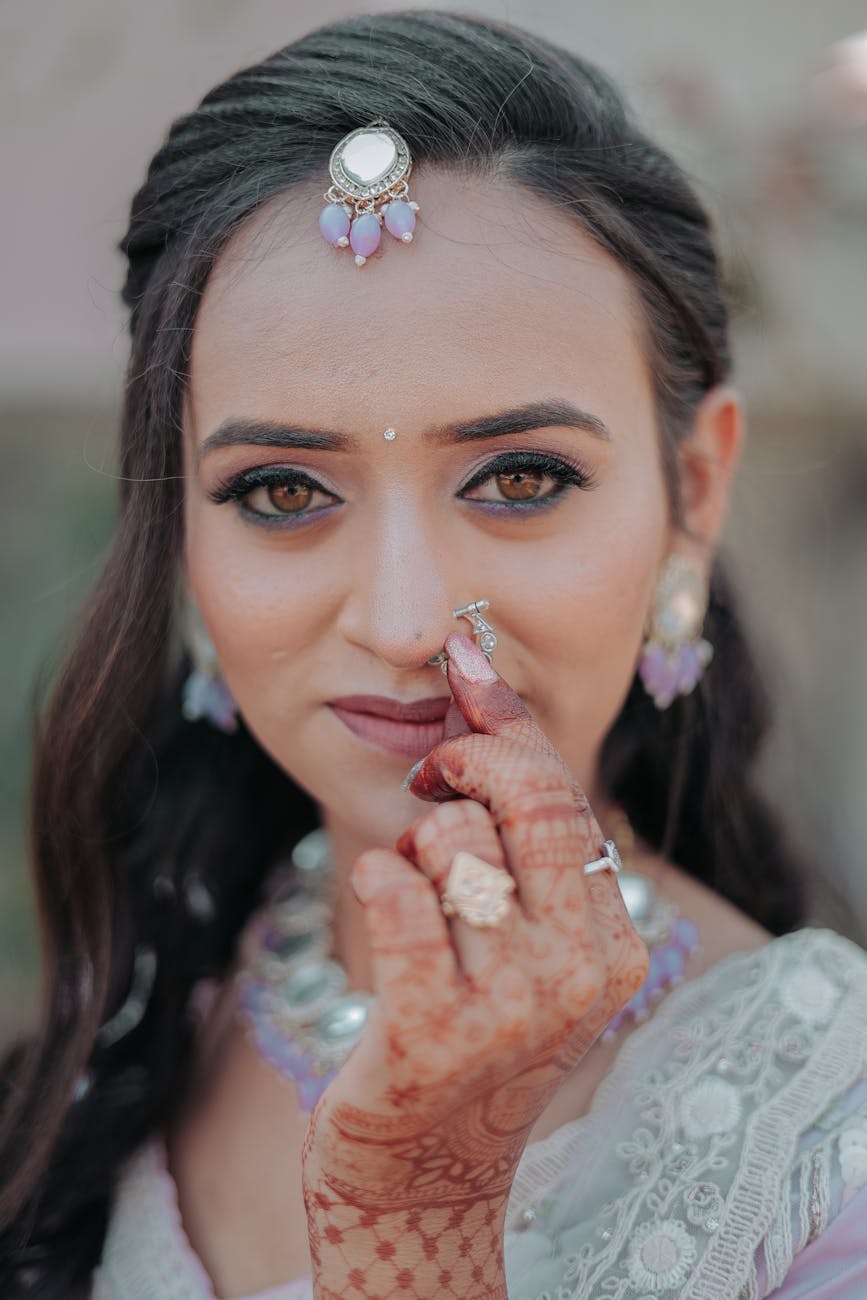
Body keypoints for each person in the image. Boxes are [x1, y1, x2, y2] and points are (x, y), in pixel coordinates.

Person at [2, 8, 866, 1298]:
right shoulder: (138, 1012)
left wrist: (421, 1225)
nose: (404, 624)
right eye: (282, 491)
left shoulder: (824, 1137)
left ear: (695, 495)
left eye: (520, 476)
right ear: (175, 527)